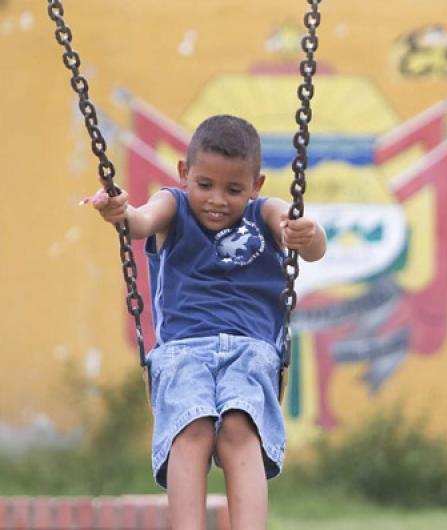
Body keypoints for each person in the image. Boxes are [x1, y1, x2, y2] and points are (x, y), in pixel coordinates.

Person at [92, 114, 327, 530]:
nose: (217, 199)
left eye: (234, 189)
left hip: (250, 349)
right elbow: (139, 222)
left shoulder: (265, 213)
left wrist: (306, 233)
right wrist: (118, 210)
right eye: (205, 185)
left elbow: (309, 244)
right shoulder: (173, 205)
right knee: (192, 428)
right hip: (183, 350)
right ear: (185, 174)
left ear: (255, 186)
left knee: (240, 427)